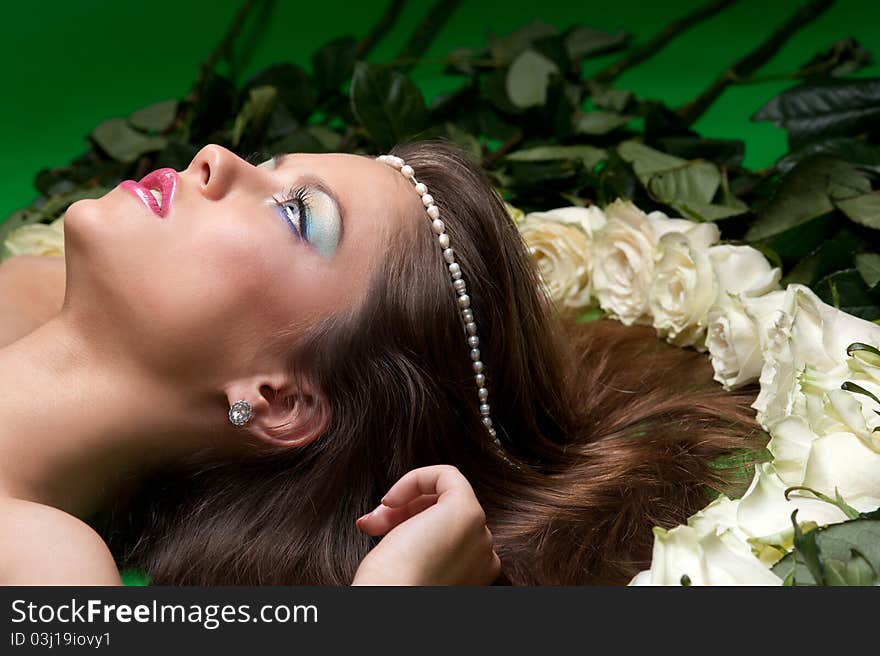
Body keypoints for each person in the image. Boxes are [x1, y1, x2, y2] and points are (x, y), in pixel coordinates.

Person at [0, 140, 762, 585]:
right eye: (268, 162)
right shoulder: (24, 294)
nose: (215, 159)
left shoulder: (46, 566)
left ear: (279, 402)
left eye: (296, 214)